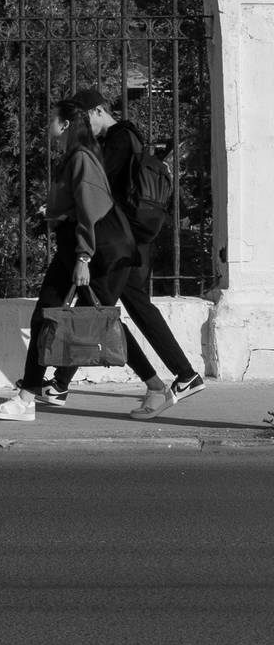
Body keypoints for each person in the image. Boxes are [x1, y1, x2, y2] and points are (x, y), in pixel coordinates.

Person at [0, 99, 150, 423]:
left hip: (83, 251)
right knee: (53, 317)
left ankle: (30, 397)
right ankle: (32, 396)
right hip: (71, 248)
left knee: (89, 319)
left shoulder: (82, 158)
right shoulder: (75, 156)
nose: (48, 124)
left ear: (65, 125)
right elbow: (78, 204)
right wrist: (55, 213)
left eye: (52, 119)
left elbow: (92, 211)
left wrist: (83, 257)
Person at [52, 87, 205, 420]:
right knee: (117, 308)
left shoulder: (120, 138)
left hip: (125, 242)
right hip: (131, 242)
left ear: (97, 111)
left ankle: (61, 384)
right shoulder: (124, 138)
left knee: (98, 310)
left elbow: (98, 187)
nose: (82, 125)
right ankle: (180, 376)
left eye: (84, 118)